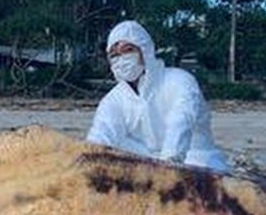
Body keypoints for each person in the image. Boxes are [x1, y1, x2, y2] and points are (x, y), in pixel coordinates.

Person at [86, 20, 230, 172]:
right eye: (114, 55)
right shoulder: (113, 99)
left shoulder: (179, 80)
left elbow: (181, 123)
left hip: (196, 158)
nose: (121, 59)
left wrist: (167, 167)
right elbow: (102, 134)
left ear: (145, 50)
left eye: (128, 50)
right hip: (146, 159)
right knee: (109, 147)